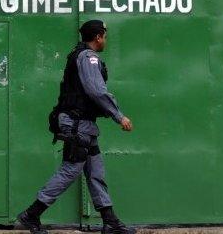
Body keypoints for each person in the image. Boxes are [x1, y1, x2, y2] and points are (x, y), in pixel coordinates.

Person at [17, 20, 135, 234]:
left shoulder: (80, 55)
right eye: (104, 36)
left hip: (85, 125)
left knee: (95, 171)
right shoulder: (88, 57)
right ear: (98, 37)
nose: (105, 40)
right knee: (71, 169)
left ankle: (110, 222)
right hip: (76, 124)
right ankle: (31, 214)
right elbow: (96, 91)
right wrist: (119, 116)